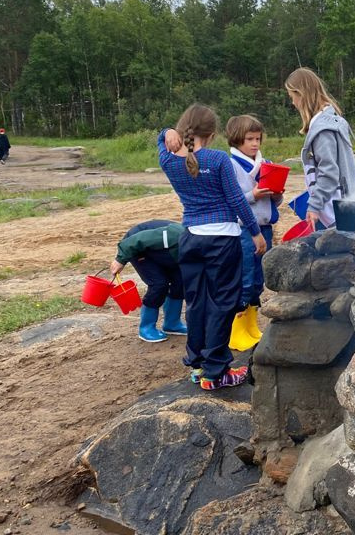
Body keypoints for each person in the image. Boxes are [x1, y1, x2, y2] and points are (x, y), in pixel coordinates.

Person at [159, 104, 265, 390]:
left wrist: (167, 133)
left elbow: (162, 142)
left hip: (191, 238)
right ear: (213, 133)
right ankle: (216, 372)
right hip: (223, 239)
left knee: (196, 302)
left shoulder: (169, 162)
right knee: (223, 303)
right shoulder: (218, 160)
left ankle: (197, 364)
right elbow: (236, 200)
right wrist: (255, 232)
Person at [284, 67, 355, 230]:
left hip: (334, 212)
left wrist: (314, 205)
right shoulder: (333, 120)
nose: (293, 103)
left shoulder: (322, 129)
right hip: (348, 206)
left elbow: (329, 172)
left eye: (293, 97)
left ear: (302, 94)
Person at [225, 114, 281, 308]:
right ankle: (238, 325)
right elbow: (231, 199)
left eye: (258, 139)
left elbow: (275, 202)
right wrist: (253, 194)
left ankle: (250, 324)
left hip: (265, 227)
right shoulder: (230, 165)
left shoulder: (266, 163)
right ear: (236, 138)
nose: (255, 144)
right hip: (244, 230)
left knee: (260, 279)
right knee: (245, 277)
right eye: (250, 139)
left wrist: (276, 195)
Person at [110, 220, 188, 343]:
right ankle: (146, 328)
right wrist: (120, 259)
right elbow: (137, 241)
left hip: (164, 253)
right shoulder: (175, 235)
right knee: (159, 284)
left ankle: (172, 324)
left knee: (180, 282)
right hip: (137, 246)